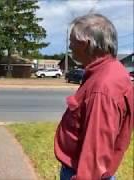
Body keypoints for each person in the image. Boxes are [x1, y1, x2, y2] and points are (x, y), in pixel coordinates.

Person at [54, 13, 133, 180]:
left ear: (85, 44)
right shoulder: (111, 71)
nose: (70, 46)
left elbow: (96, 151)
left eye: (71, 41)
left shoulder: (102, 86)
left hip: (82, 173)